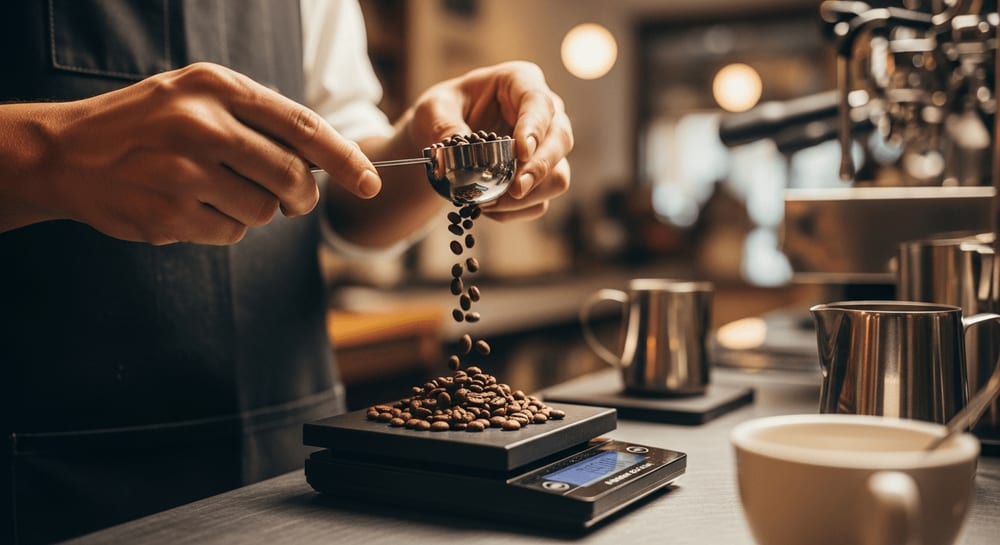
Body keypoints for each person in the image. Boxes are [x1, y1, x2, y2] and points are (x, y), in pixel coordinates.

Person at [0, 1, 573, 543]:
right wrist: (53, 152)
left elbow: (346, 187)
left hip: (291, 458)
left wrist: (428, 141)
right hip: (49, 469)